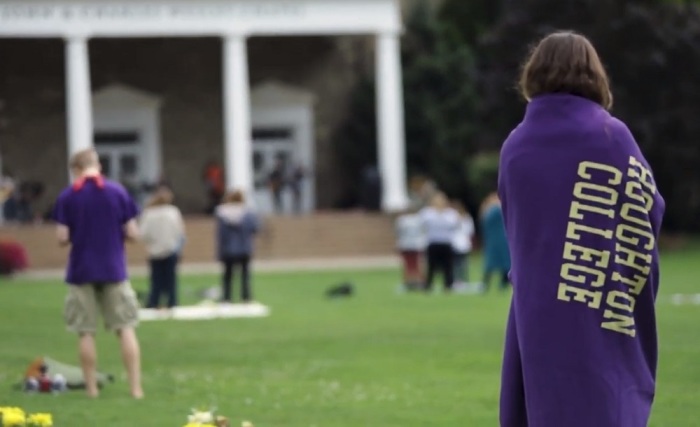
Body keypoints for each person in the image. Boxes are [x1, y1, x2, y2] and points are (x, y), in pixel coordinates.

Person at [498, 31, 665, 427]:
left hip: (536, 305)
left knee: (544, 404)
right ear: (594, 75)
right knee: (601, 400)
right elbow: (648, 209)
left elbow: (517, 225)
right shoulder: (611, 137)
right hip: (594, 296)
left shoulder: (515, 145)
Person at [53, 148, 143, 399]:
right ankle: (136, 389)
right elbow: (134, 233)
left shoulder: (68, 196)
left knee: (86, 331)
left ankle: (92, 390)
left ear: (76, 170)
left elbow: (62, 237)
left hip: (81, 269)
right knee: (125, 327)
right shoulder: (118, 192)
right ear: (98, 165)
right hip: (114, 268)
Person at [139, 187, 185, 310]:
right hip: (171, 249)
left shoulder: (149, 213)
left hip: (154, 250)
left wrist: (151, 243)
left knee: (156, 280)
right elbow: (179, 231)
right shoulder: (173, 212)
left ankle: (153, 301)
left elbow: (143, 233)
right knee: (171, 279)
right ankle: (172, 302)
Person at [215, 189, 260, 303]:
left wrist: (220, 250)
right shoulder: (248, 213)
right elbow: (255, 228)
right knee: (245, 275)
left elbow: (221, 234)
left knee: (227, 276)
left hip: (228, 248)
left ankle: (226, 297)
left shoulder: (222, 213)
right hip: (244, 247)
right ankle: (246, 297)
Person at [419, 192, 460, 292]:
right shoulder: (427, 213)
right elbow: (422, 225)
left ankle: (448, 284)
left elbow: (455, 225)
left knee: (448, 266)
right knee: (431, 266)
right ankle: (428, 284)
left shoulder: (451, 213)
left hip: (446, 242)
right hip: (433, 242)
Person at [479, 193, 510, 292]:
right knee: (493, 263)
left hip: (499, 240)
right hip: (496, 240)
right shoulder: (493, 211)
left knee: (502, 263)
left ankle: (501, 284)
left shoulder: (489, 211)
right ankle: (488, 284)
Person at [394, 207, 426, 290]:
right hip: (416, 244)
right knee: (416, 265)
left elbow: (398, 232)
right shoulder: (419, 219)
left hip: (406, 244)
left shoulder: (402, 220)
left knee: (409, 265)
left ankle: (411, 282)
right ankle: (417, 282)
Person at [451, 201, 475, 287]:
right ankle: (456, 280)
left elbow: (470, 231)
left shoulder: (467, 218)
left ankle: (464, 280)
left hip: (464, 244)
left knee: (463, 263)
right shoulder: (451, 218)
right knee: (455, 264)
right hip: (453, 244)